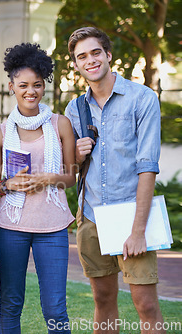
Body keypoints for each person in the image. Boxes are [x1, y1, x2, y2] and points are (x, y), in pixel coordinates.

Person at [65, 27, 164, 333]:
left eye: (95, 52)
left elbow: (148, 166)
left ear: (108, 55)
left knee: (145, 303)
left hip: (131, 214)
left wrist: (137, 230)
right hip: (92, 215)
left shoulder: (142, 98)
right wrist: (77, 157)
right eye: (82, 56)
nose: (90, 60)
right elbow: (69, 171)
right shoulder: (74, 109)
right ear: (77, 65)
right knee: (103, 299)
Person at [0, 43, 76, 333]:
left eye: (37, 85)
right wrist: (6, 184)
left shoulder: (60, 124)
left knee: (55, 307)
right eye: (23, 85)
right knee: (11, 303)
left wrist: (46, 179)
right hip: (11, 227)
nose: (31, 91)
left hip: (52, 227)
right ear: (11, 86)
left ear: (44, 86)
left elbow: (70, 177)